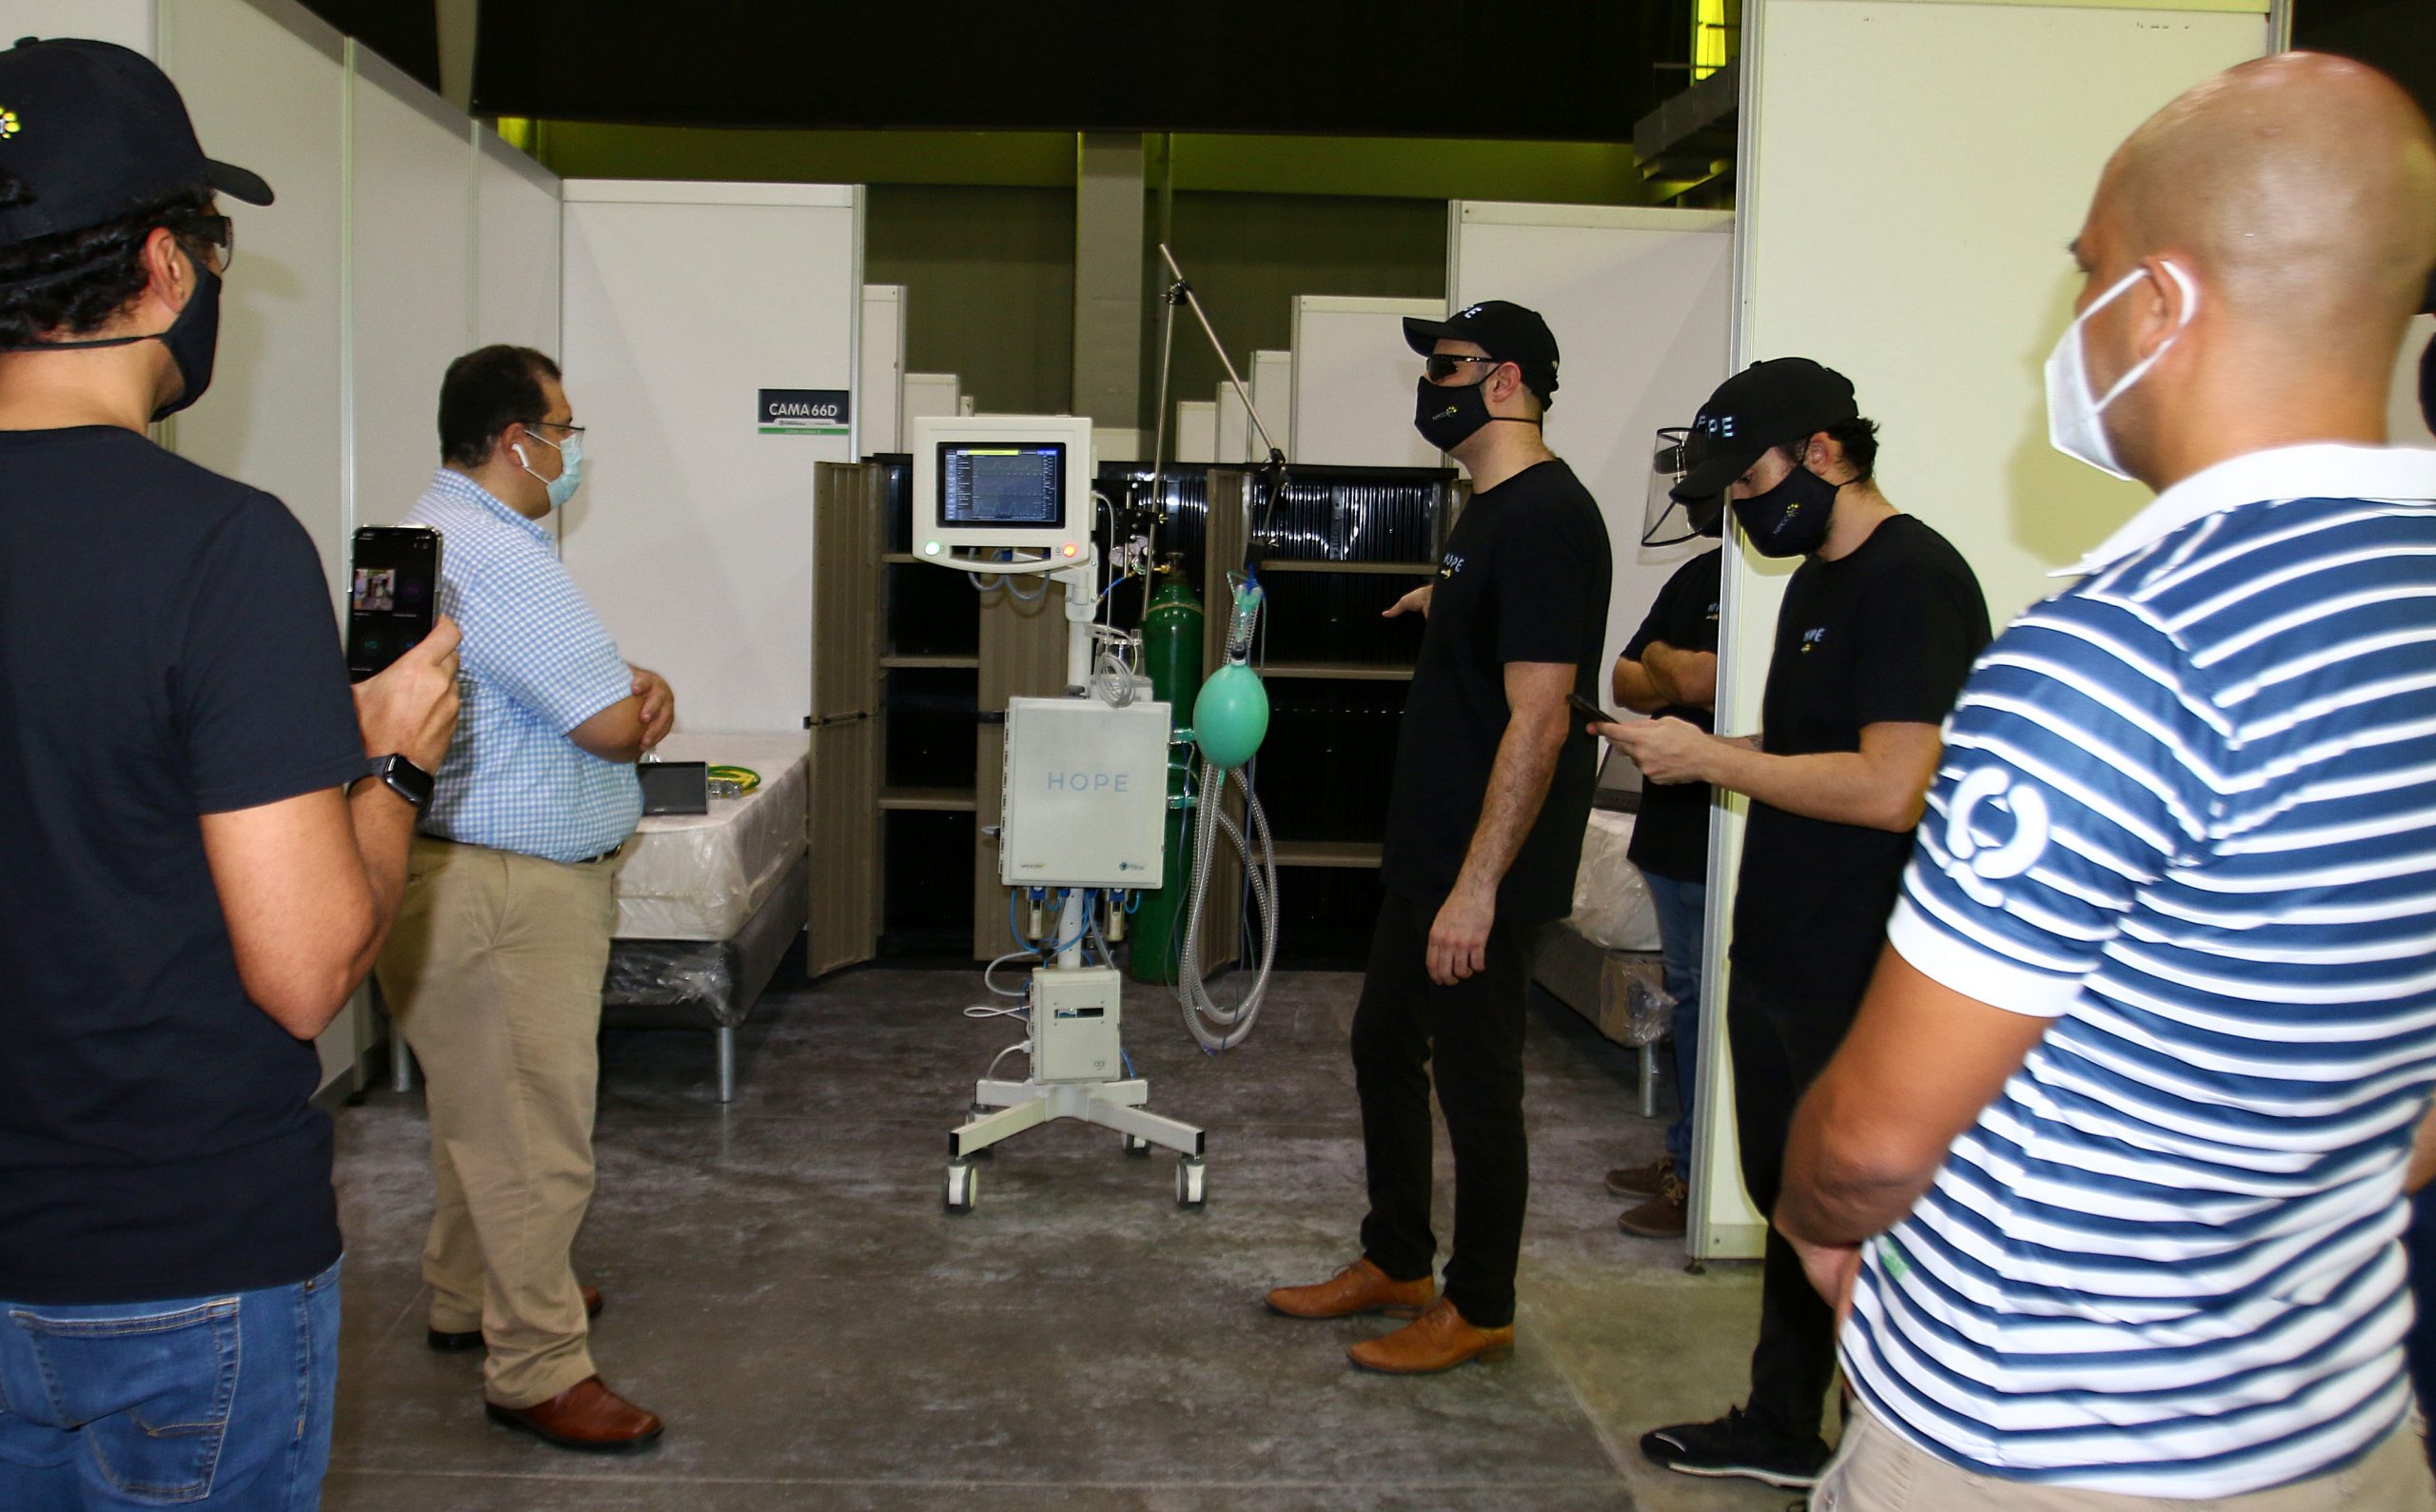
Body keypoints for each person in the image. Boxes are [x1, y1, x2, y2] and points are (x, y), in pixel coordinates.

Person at [1777, 53, 2436, 1507]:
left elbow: (1880, 1139)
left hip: (2042, 1451)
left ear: (2158, 304)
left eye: (2086, 277)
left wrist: (1811, 1210)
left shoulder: (2121, 656)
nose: (2064, 332)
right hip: (2344, 1433)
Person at [0, 36, 460, 1509]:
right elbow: (306, 967)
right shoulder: (217, 547)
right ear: (164, 267)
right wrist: (387, 766)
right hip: (170, 1271)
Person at [1602, 358, 1991, 1489]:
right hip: (1779, 939)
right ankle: (1783, 1417)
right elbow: (1805, 754)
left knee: (1863, 1210)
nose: (1739, 505)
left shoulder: (1914, 579)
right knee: (1789, 1199)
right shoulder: (1818, 580)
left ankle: (1896, 1443)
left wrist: (1711, 755)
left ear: (1824, 451)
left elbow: (1893, 785)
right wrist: (1680, 746)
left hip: (1862, 959)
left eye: (1749, 478)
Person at [1264, 301, 1611, 1373]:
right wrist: (1449, 605)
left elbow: (1543, 715)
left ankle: (1481, 1303)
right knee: (1381, 1041)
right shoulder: (1490, 510)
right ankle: (1398, 1259)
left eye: (1448, 366)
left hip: (1481, 866)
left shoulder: (1549, 515)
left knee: (1476, 1081)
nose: (1432, 386)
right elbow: (1510, 639)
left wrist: (1475, 886)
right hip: (1436, 852)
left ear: (1505, 381)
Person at [374, 344, 675, 1451]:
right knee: (536, 1135)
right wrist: (641, 697)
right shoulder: (498, 553)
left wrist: (623, 688)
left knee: (477, 1112)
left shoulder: (425, 536)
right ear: (517, 440)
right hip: (506, 896)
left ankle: (468, 1293)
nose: (572, 446)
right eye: (565, 425)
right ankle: (537, 1364)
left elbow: (575, 684)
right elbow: (605, 713)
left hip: (448, 875)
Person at [1605, 540, 1722, 1239]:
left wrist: (1666, 665)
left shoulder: (1765, 581)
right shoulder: (1695, 574)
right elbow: (1625, 679)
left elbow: (1707, 681)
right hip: (1669, 833)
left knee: (1709, 1010)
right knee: (1685, 1004)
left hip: (1720, 830)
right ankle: (1684, 1151)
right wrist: (1670, 671)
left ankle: (1699, 1175)